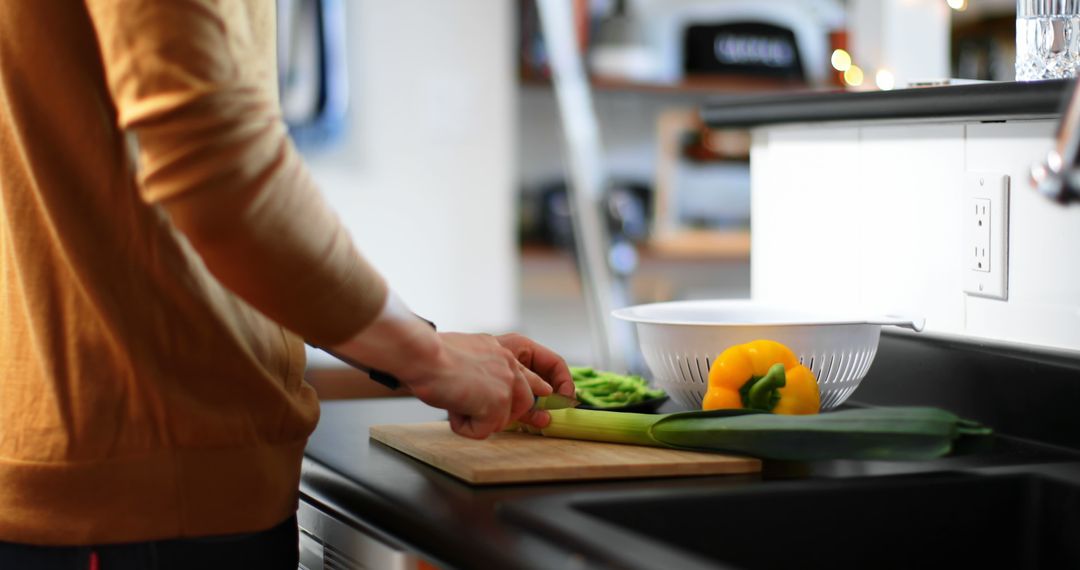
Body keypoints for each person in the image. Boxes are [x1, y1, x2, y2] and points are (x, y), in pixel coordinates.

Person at [0, 1, 574, 568]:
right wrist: (429, 359)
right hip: (146, 507)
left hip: (137, 488)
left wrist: (422, 349)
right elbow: (218, 177)